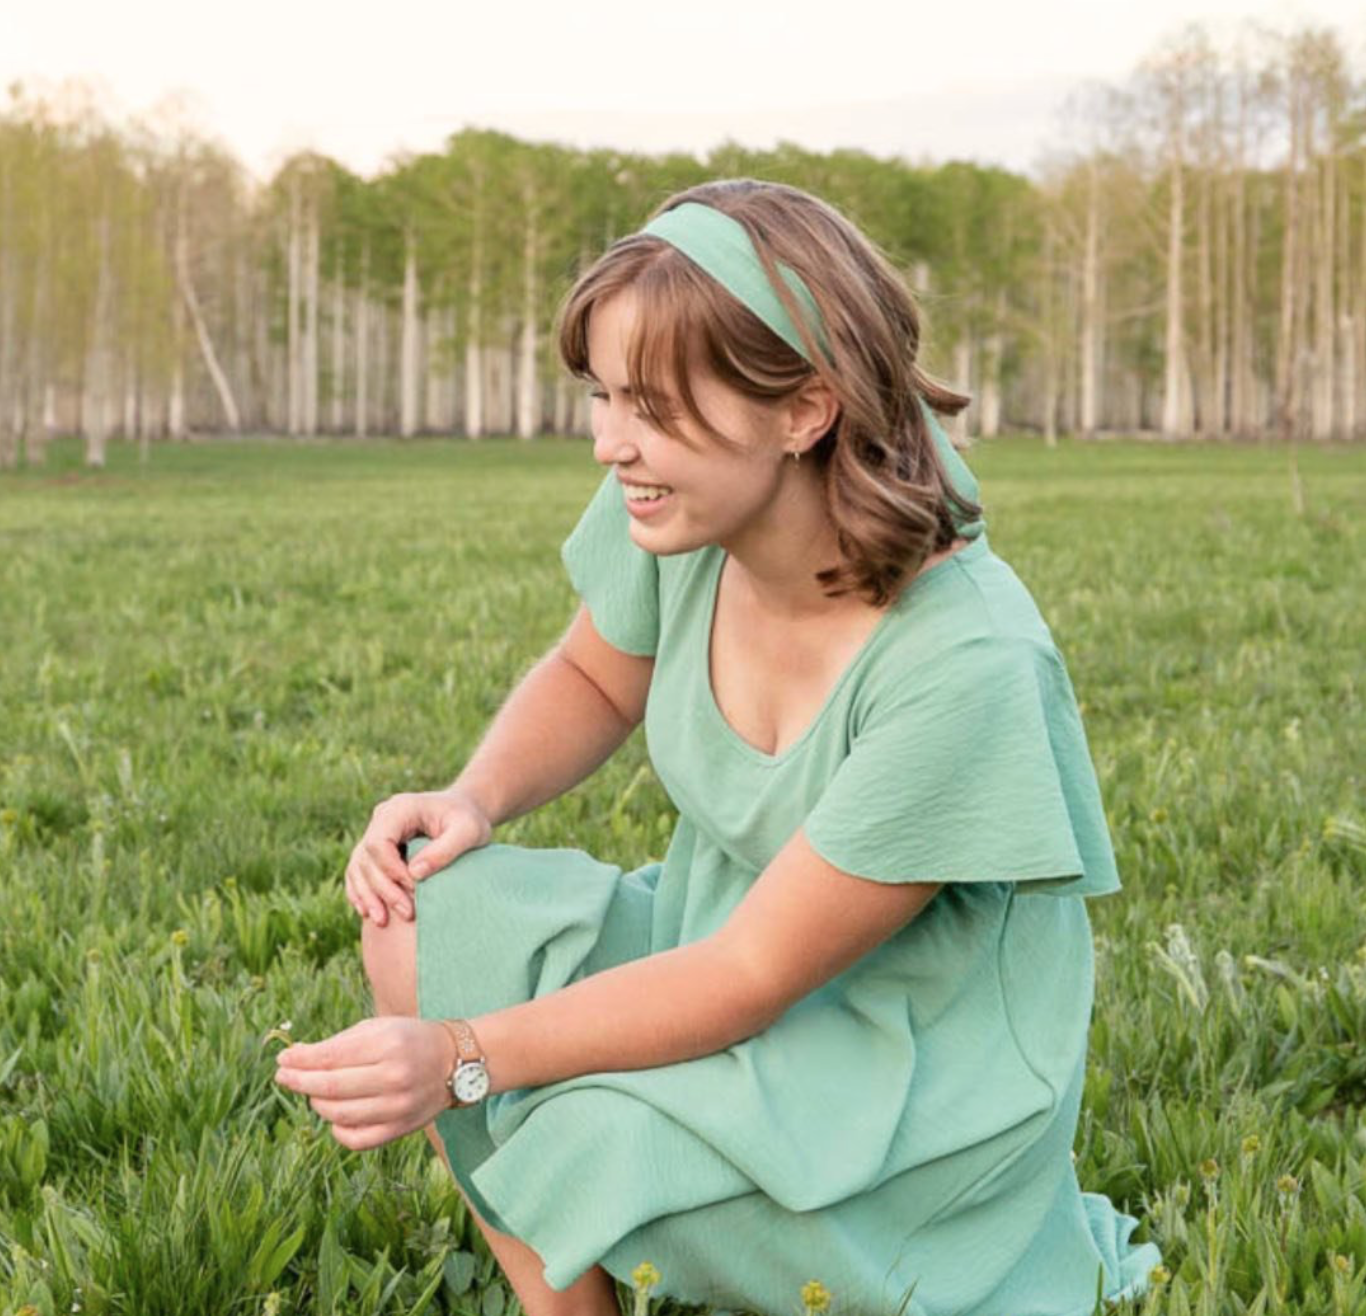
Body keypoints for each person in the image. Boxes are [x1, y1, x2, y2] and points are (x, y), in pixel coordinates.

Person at [273, 178, 1163, 1316]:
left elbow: (751, 978)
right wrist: (473, 796)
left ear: (805, 409)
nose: (608, 443)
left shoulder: (968, 662)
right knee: (425, 906)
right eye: (601, 394)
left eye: (647, 403)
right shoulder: (684, 508)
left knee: (593, 1128)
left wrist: (459, 1051)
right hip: (709, 940)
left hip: (896, 1064)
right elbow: (597, 673)